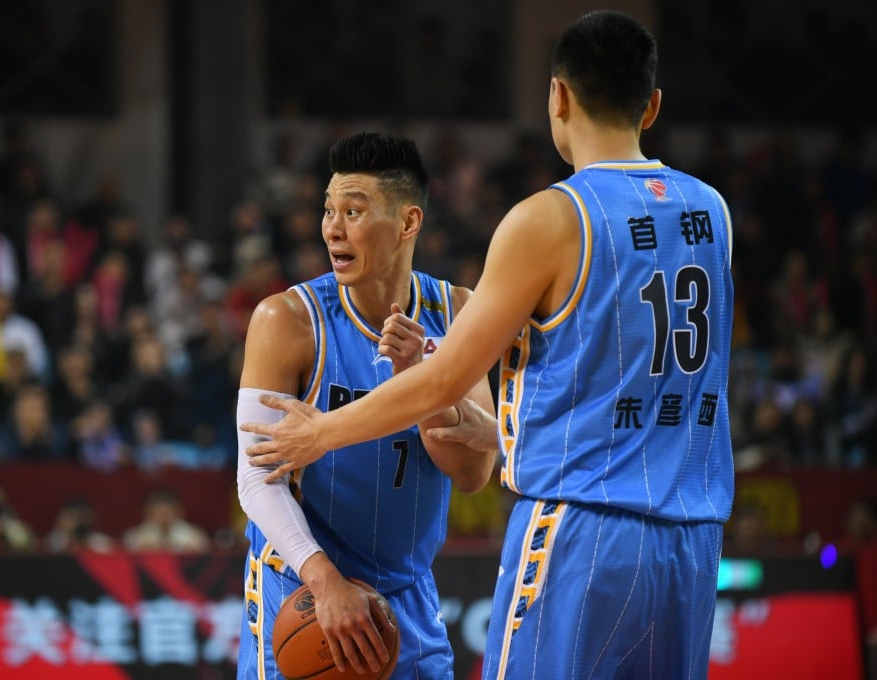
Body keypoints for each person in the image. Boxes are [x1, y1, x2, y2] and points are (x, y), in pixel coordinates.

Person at [242, 12, 734, 679]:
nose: (334, 226)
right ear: (651, 106)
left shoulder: (550, 217)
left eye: (353, 210)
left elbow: (450, 389)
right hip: (694, 537)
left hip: (581, 526)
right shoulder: (712, 212)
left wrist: (322, 431)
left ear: (557, 97)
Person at [235, 131, 498, 679]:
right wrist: (325, 584)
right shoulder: (286, 321)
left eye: (354, 211)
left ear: (408, 223)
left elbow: (474, 472)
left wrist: (422, 384)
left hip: (406, 596)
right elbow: (257, 479)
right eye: (329, 210)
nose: (333, 227)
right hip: (303, 587)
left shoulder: (459, 313)